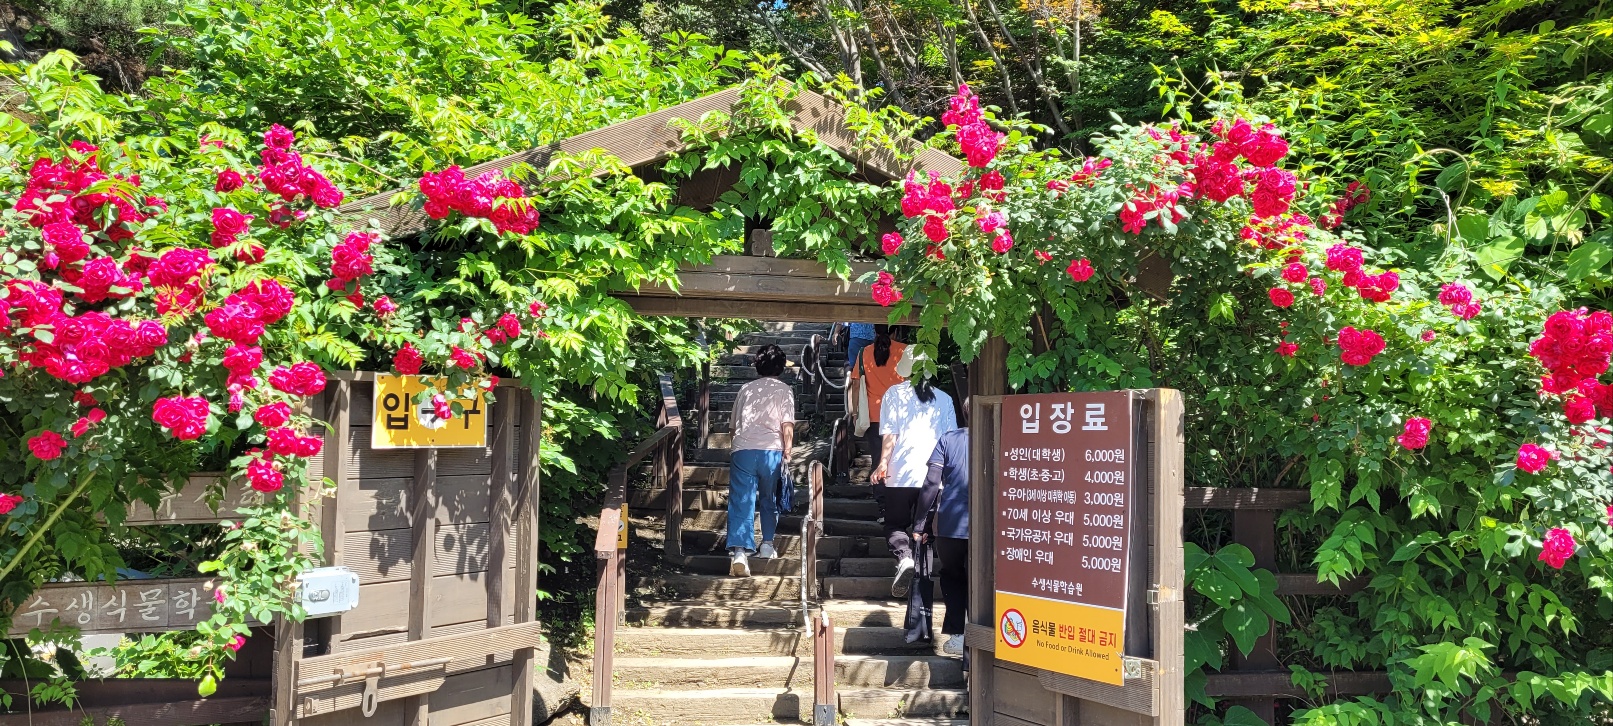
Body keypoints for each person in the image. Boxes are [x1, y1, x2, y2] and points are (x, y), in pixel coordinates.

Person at [872, 347, 957, 597]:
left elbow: (890, 434)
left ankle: (904, 557)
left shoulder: (893, 394)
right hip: (934, 477)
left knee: (895, 525)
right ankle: (922, 585)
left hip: (899, 474)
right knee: (925, 533)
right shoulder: (944, 399)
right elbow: (950, 440)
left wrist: (883, 463)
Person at [726, 344, 795, 577]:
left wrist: (735, 447)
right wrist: (788, 450)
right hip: (771, 450)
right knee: (769, 498)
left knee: (741, 501)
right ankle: (766, 544)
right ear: (781, 367)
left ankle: (739, 552)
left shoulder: (745, 389)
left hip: (743, 449)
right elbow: (787, 424)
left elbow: (733, 426)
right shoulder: (784, 390)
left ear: (758, 365)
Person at [914, 427, 969, 656]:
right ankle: (982, 636)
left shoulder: (949, 439)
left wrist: (921, 523)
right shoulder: (999, 435)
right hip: (989, 524)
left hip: (951, 523)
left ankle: (959, 636)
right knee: (982, 580)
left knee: (953, 576)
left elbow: (931, 483)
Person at [848, 325, 905, 477]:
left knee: (878, 458)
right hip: (900, 413)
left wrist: (855, 412)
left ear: (874, 331)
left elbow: (856, 384)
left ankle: (879, 490)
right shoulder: (904, 350)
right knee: (899, 458)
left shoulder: (864, 352)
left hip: (874, 415)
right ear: (895, 331)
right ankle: (898, 489)